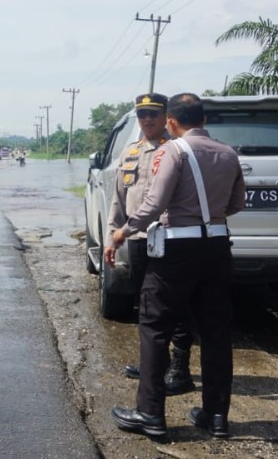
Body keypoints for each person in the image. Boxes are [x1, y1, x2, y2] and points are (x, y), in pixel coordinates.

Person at [110, 93, 245, 439]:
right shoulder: (228, 153)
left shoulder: (173, 150)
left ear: (171, 121)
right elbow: (236, 203)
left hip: (177, 249)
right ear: (203, 120)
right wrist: (207, 219)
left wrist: (123, 231)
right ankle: (216, 416)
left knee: (154, 327)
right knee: (216, 332)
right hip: (217, 246)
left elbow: (155, 203)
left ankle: (150, 413)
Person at [104, 93, 194, 396]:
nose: (147, 120)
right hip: (139, 240)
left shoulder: (177, 150)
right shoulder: (130, 153)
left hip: (170, 238)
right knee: (145, 304)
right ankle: (154, 362)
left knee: (175, 304)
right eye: (142, 114)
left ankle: (180, 369)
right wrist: (111, 238)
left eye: (153, 114)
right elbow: (118, 200)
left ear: (166, 116)